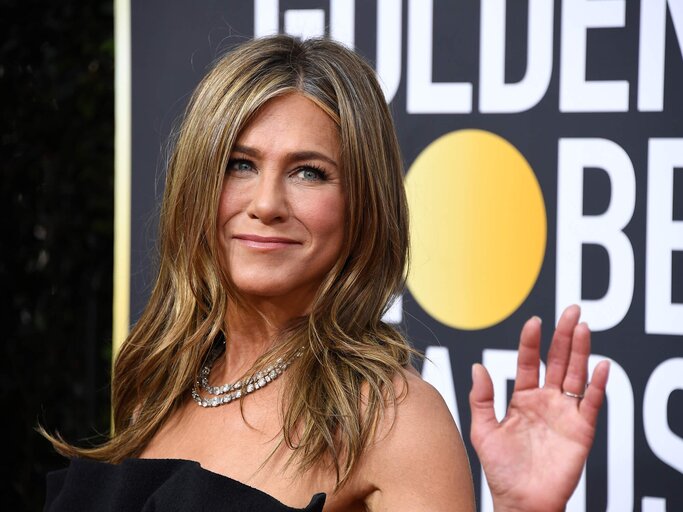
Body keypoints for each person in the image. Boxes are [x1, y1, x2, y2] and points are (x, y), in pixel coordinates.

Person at [43, 35, 610, 512]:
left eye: (309, 173)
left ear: (361, 204)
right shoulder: (157, 386)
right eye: (240, 164)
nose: (266, 203)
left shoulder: (390, 419)